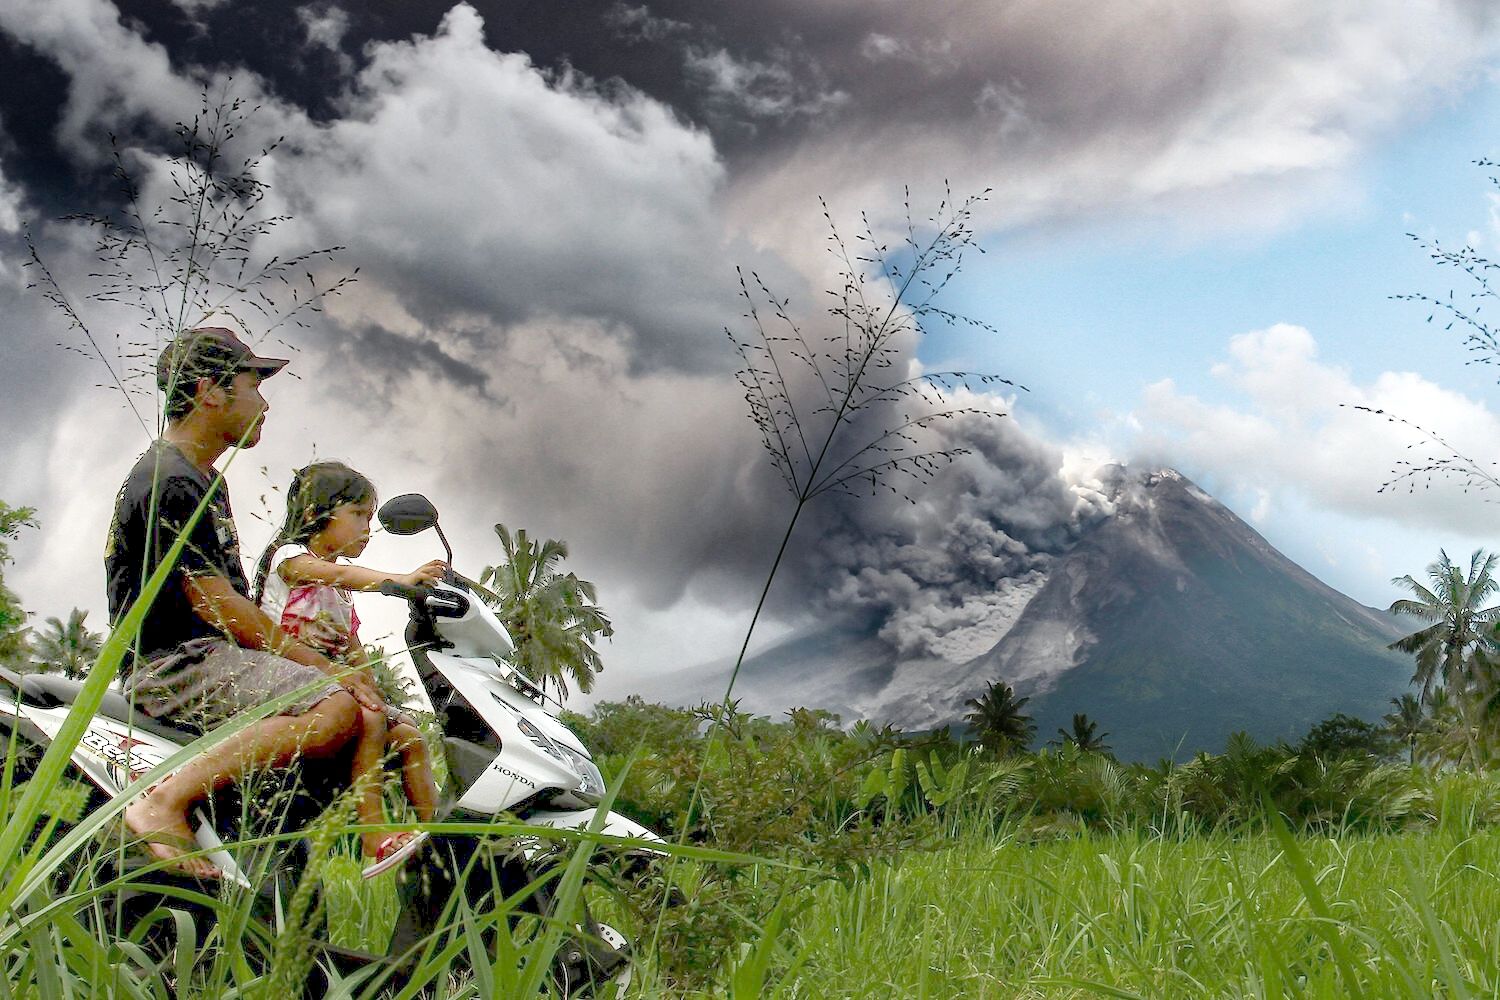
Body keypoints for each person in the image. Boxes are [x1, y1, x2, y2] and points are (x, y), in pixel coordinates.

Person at [105, 327, 379, 878]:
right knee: (335, 704)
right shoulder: (169, 479)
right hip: (175, 666)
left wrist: (303, 645)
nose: (265, 403)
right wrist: (322, 668)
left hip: (211, 660)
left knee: (385, 723)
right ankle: (162, 801)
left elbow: (234, 604)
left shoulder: (203, 479)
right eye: (254, 385)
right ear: (210, 390)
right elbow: (217, 604)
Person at [250, 461, 444, 865]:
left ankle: (442, 835)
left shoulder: (340, 592)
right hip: (281, 677)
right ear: (313, 515)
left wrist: (373, 689)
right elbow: (336, 575)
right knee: (371, 720)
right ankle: (374, 835)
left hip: (330, 685)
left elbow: (352, 647)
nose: (367, 529)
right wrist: (398, 580)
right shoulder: (291, 559)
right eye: (358, 515)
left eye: (370, 519)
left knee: (409, 735)